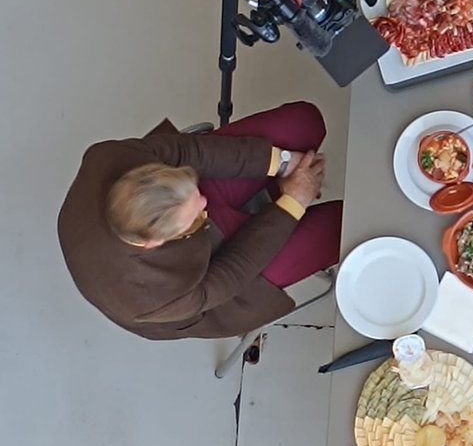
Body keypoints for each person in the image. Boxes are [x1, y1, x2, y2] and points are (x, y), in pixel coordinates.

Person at [57, 102, 341, 341]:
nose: (205, 204)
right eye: (195, 215)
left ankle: (254, 195)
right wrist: (293, 202)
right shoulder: (148, 298)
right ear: (155, 241)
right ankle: (275, 202)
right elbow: (229, 275)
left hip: (177, 210)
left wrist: (282, 163)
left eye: (194, 191)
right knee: (343, 227)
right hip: (216, 281)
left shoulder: (112, 158)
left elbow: (188, 152)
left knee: (304, 122)